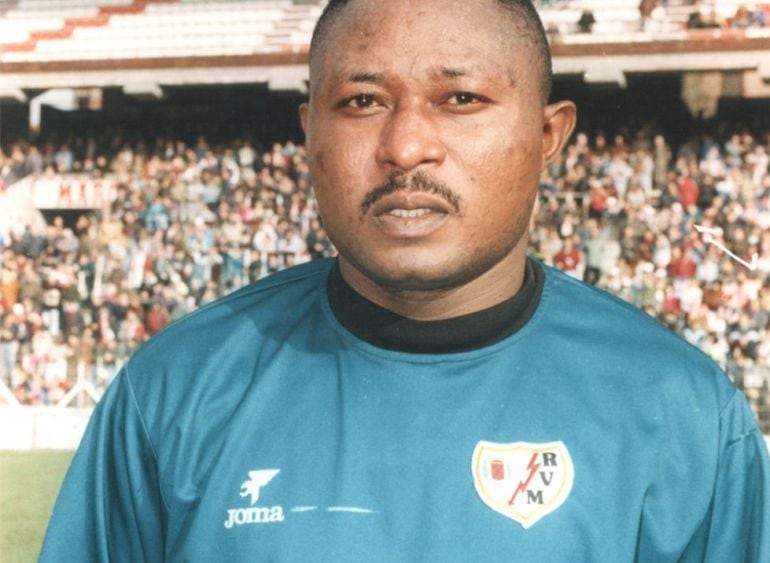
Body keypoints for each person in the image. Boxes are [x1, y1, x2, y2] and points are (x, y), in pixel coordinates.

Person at [41, 0, 770, 561]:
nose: (406, 145)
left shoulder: (685, 414)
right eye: (361, 101)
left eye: (461, 100)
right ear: (309, 132)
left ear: (548, 137)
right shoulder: (172, 390)